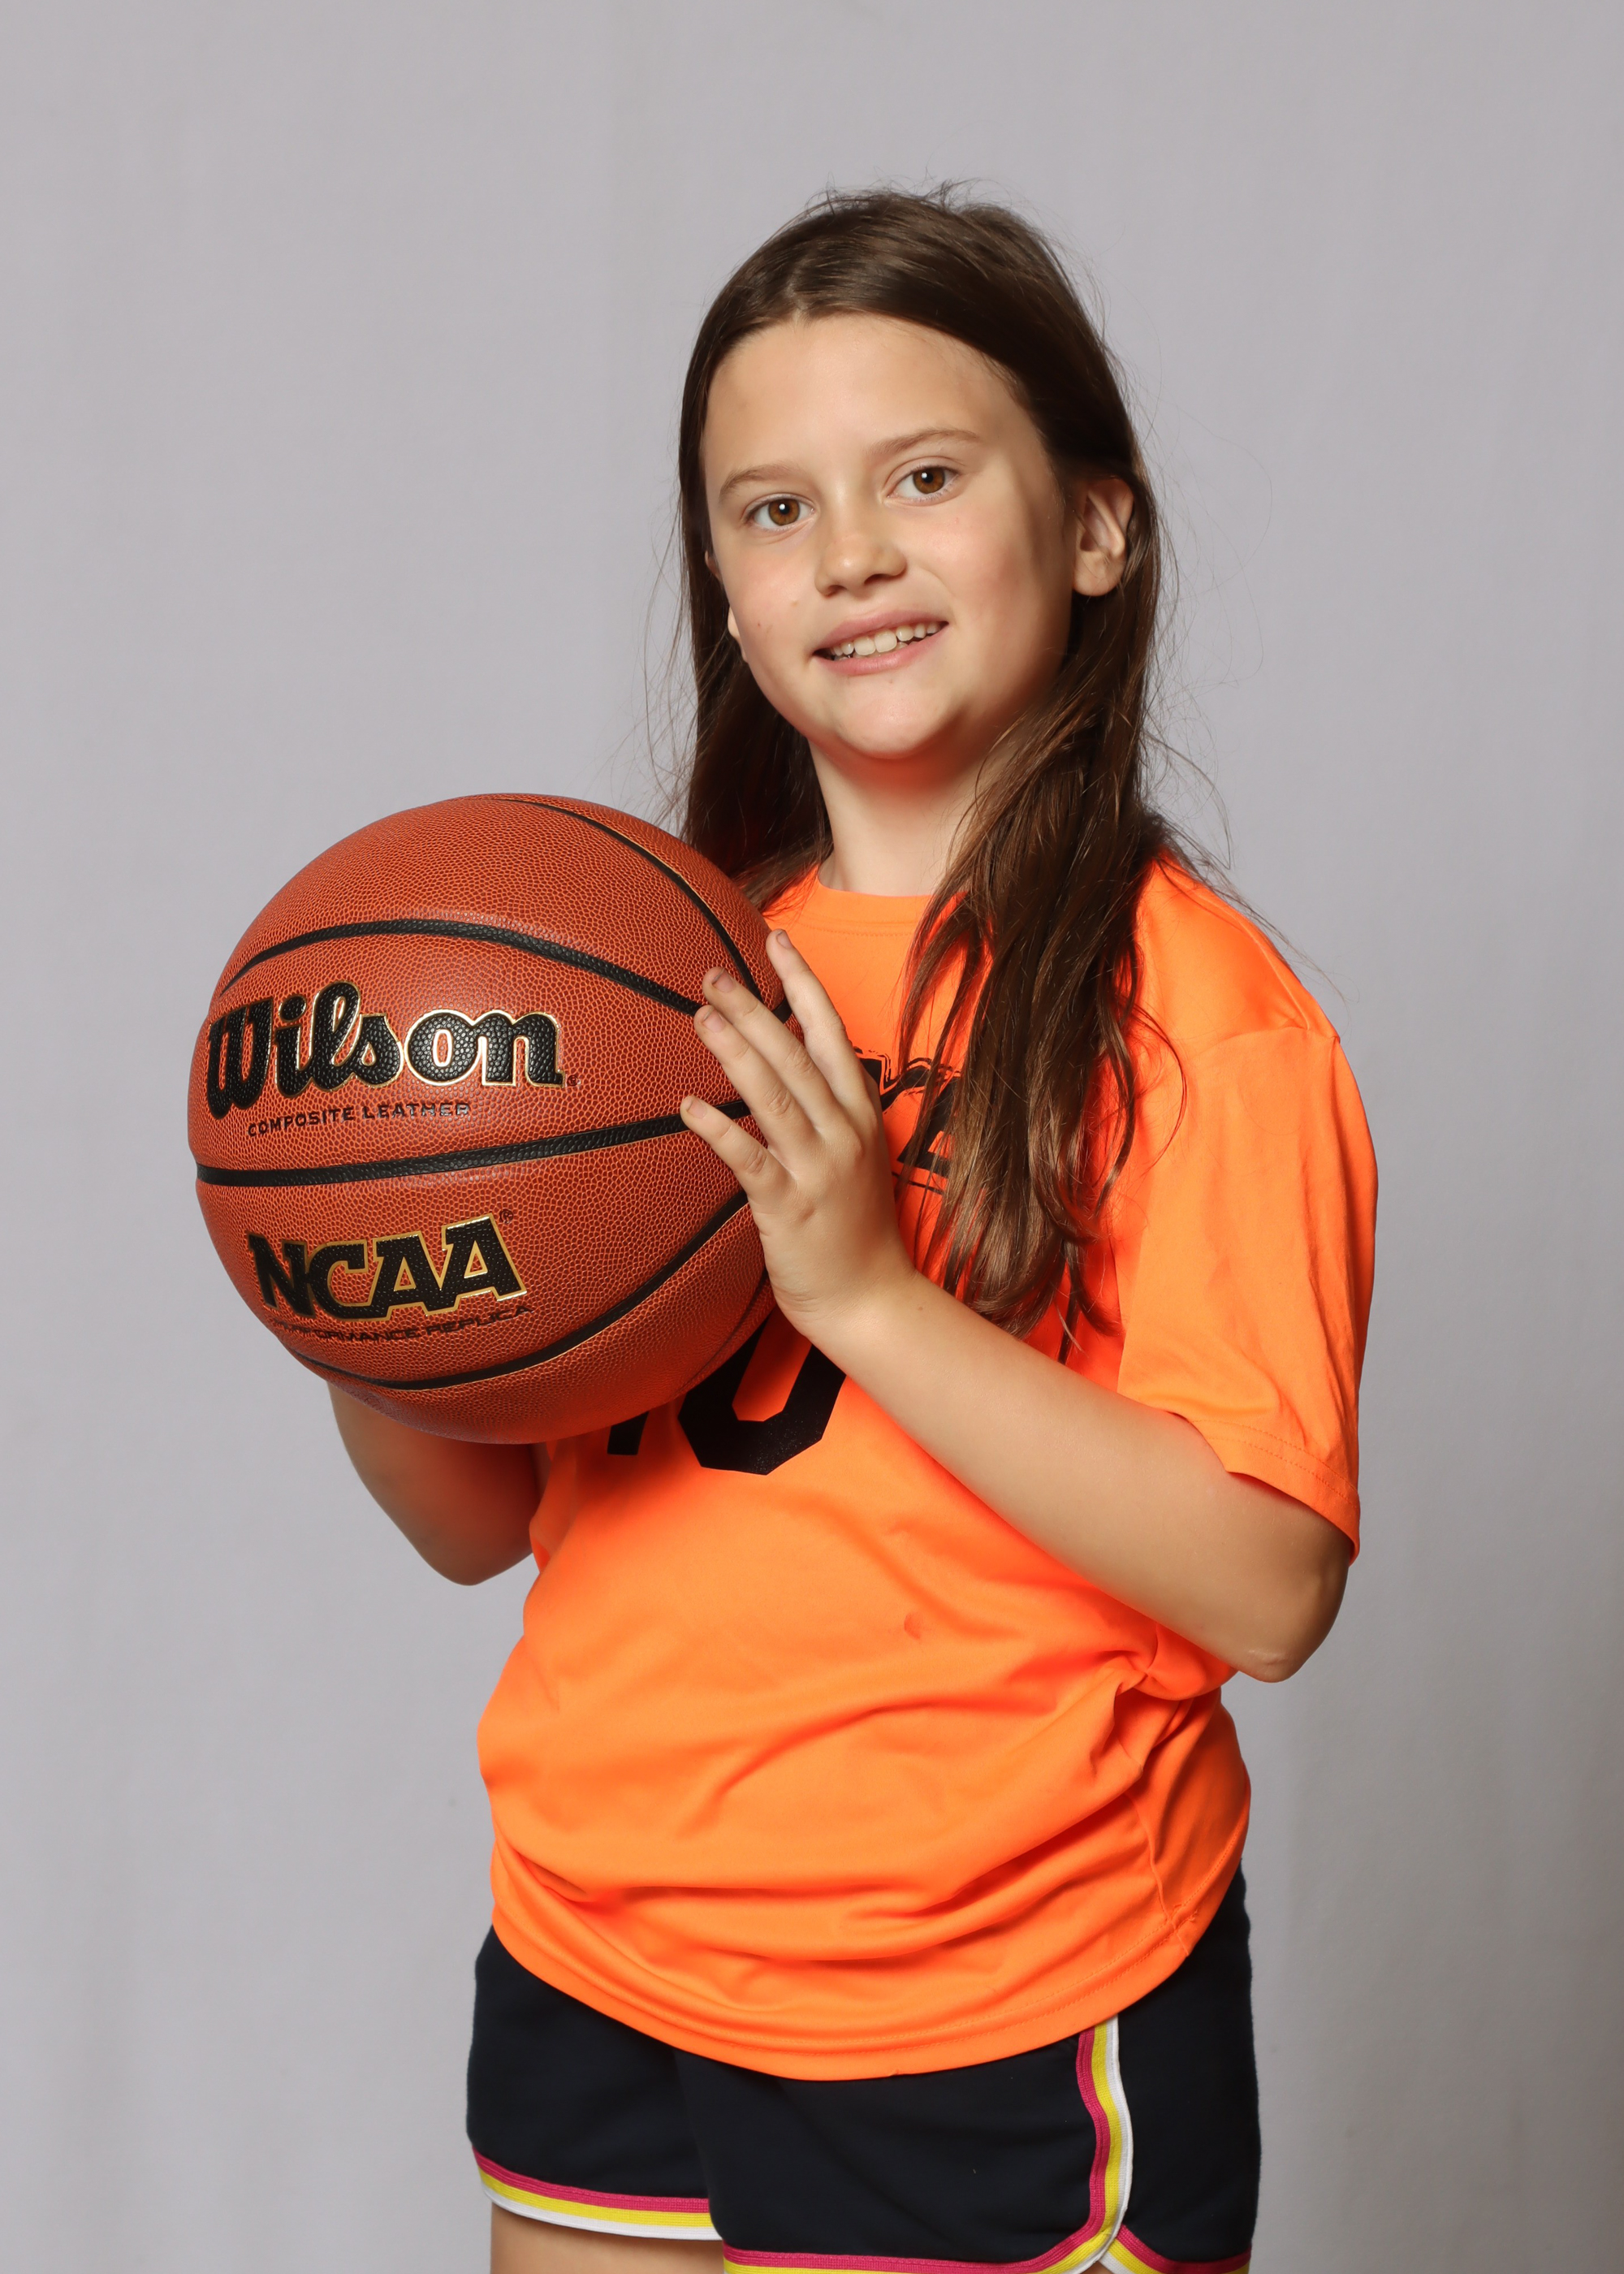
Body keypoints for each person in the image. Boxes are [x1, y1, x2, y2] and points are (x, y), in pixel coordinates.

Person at [331, 188, 1377, 2274]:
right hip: (606, 1941)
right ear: (724, 591)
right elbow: (476, 1522)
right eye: (773, 508)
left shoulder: (1197, 1014)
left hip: (994, 1987)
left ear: (1096, 526)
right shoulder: (651, 982)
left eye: (923, 477)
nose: (850, 554)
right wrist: (368, 1284)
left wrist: (865, 1293)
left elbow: (1267, 1583)